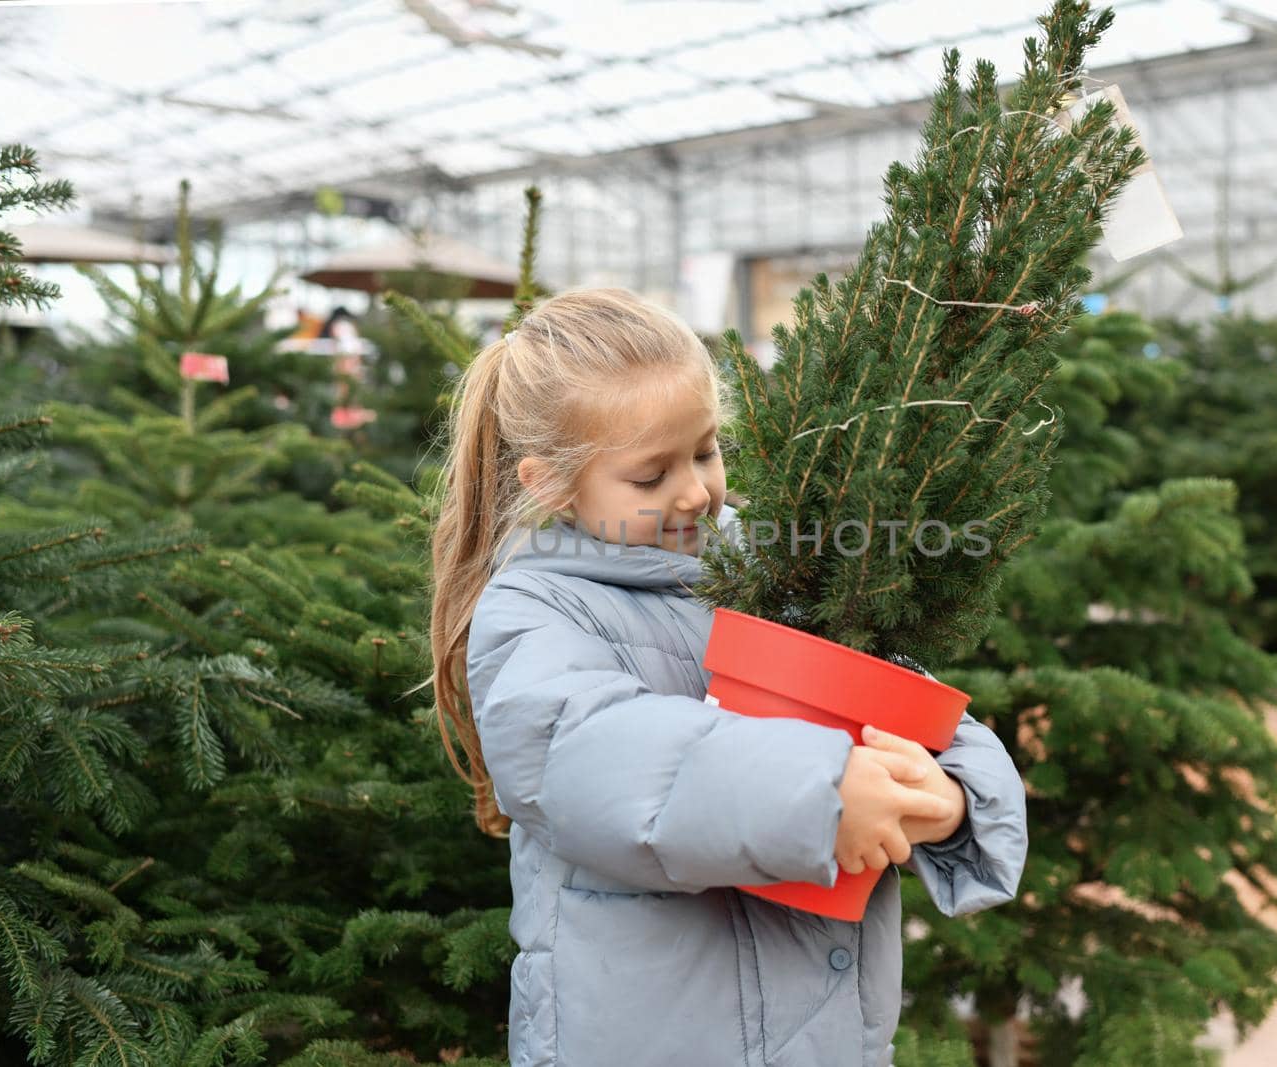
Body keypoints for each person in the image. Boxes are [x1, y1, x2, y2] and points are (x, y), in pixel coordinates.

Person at [425, 287, 1027, 1067]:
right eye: (650, 476)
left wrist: (947, 793)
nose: (696, 491)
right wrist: (823, 793)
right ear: (549, 483)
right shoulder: (535, 606)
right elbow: (599, 756)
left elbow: (895, 687)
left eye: (706, 450)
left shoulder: (765, 564)